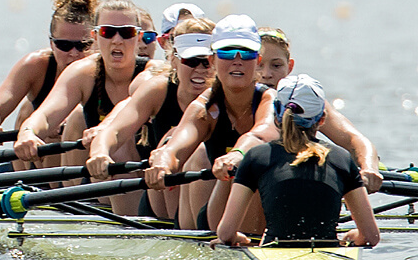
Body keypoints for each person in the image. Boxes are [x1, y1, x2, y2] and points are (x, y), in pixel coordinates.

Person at [13, 0, 160, 215]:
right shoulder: (83, 72)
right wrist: (28, 132)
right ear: (95, 37)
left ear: (139, 38)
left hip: (152, 183)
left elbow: (126, 107)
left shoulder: (154, 73)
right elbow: (45, 114)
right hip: (104, 180)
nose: (117, 40)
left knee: (118, 148)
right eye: (108, 32)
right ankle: (85, 214)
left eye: (126, 32)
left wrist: (103, 130)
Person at [211, 74, 380, 248]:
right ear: (321, 119)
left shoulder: (257, 157)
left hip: (274, 249)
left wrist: (239, 239)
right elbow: (371, 236)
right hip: (329, 249)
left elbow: (225, 233)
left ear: (277, 115)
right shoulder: (341, 158)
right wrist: (355, 236)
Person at [144, 15, 279, 228]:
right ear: (212, 60)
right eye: (226, 52)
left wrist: (237, 153)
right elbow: (178, 144)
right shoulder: (204, 107)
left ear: (258, 61)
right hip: (216, 213)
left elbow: (262, 133)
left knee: (248, 165)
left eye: (246, 53)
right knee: (195, 158)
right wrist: (164, 159)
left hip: (262, 211)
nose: (237, 60)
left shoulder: (270, 100)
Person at [86, 17, 216, 220]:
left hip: (209, 184)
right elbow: (115, 130)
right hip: (160, 194)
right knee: (168, 143)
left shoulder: (226, 94)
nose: (200, 69)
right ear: (173, 59)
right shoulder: (158, 89)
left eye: (207, 61)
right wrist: (100, 153)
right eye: (190, 60)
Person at [256, 27, 382, 194]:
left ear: (290, 67)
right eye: (259, 65)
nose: (266, 74)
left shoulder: (306, 100)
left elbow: (355, 140)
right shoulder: (234, 95)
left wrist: (369, 167)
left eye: (276, 65)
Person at [0, 0, 99, 148]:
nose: (74, 53)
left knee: (76, 119)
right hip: (39, 160)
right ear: (52, 44)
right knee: (27, 112)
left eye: (83, 45)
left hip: (89, 156)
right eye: (64, 45)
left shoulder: (109, 70)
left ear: (97, 41)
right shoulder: (36, 66)